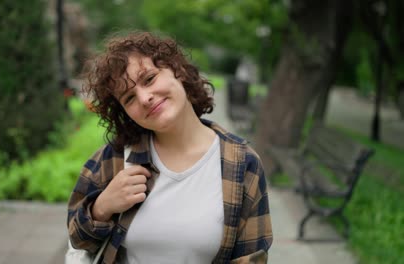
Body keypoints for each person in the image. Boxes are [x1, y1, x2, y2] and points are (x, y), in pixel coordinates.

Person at [67, 31, 273, 264]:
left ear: (179, 71)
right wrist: (102, 208)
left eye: (149, 79)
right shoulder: (112, 160)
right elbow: (78, 240)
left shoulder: (243, 164)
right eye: (129, 98)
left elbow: (252, 259)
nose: (144, 98)